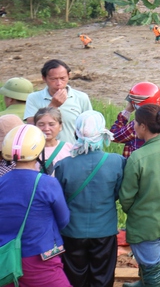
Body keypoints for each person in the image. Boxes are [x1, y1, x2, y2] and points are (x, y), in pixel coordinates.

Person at [55, 110, 125, 287]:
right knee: (102, 276)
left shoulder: (63, 165)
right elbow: (117, 193)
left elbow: (60, 198)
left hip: (71, 231)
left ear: (76, 133)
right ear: (102, 133)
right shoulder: (117, 162)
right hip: (104, 230)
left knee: (74, 276)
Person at [0, 125, 71, 287]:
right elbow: (64, 220)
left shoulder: (1, 182)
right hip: (40, 258)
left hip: (5, 260)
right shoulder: (47, 183)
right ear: (39, 152)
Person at [119, 104, 160, 287]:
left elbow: (126, 198)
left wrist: (133, 210)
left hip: (145, 224)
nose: (134, 126)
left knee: (152, 269)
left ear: (143, 126)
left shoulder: (137, 157)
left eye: (135, 123)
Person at [24, 59, 92, 144]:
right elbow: (31, 128)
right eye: (53, 79)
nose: (59, 83)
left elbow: (89, 127)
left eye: (63, 78)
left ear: (69, 76)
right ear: (44, 78)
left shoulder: (81, 97)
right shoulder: (33, 98)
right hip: (44, 151)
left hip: (73, 152)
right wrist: (53, 106)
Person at [34, 107, 74, 174]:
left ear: (60, 126)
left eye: (51, 124)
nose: (46, 129)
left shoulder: (69, 148)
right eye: (41, 125)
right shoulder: (29, 150)